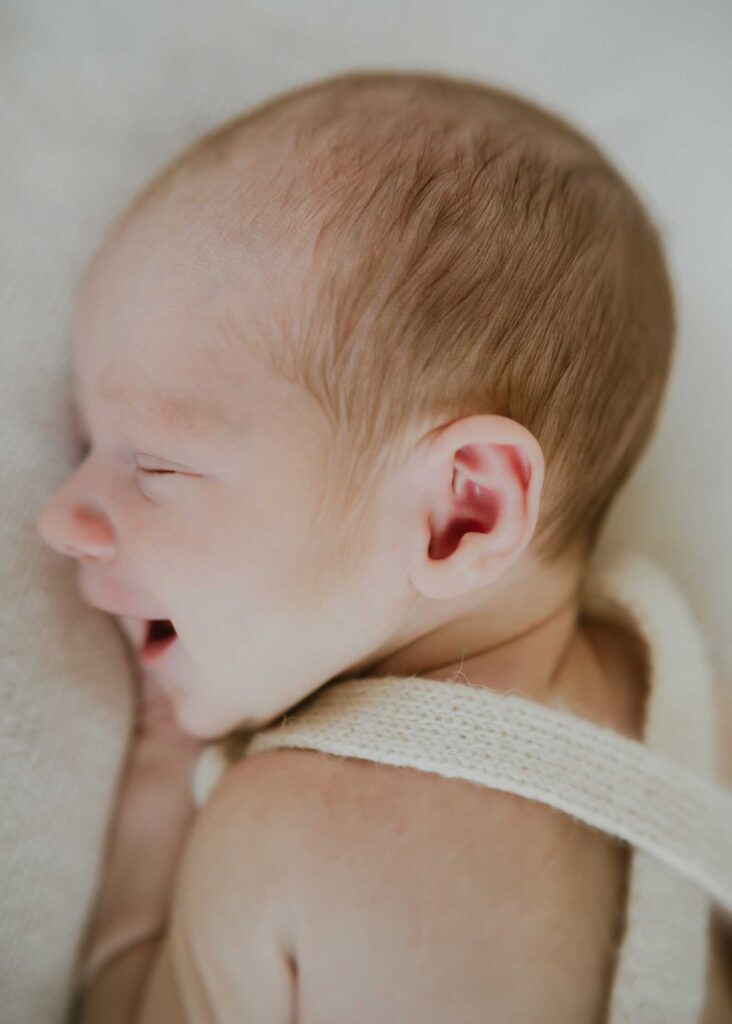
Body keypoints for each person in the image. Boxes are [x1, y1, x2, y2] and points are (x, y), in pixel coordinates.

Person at [36, 70, 732, 1021]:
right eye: (85, 446)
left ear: (461, 514)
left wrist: (158, 782)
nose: (57, 518)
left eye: (154, 464)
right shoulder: (693, 712)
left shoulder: (282, 830)